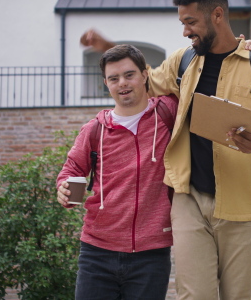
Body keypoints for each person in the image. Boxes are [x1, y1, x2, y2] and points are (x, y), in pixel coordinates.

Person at [81, 0, 251, 300]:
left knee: (238, 295)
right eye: (182, 22)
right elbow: (145, 79)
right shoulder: (183, 61)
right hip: (188, 201)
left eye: (190, 21)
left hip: (243, 204)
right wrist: (105, 47)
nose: (185, 30)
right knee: (193, 296)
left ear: (217, 15)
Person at [55, 44, 178, 299]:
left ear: (145, 75)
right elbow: (71, 170)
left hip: (151, 255)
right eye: (114, 78)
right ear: (106, 84)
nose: (122, 83)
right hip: (96, 252)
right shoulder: (93, 130)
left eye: (129, 75)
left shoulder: (168, 113)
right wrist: (64, 188)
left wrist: (240, 49)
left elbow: (201, 78)